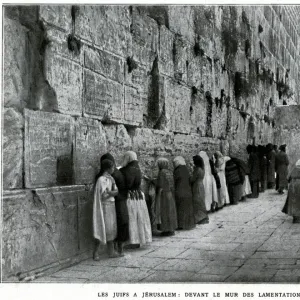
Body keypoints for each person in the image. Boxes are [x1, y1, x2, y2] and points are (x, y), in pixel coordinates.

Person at [120, 151, 152, 245]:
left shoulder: (126, 170)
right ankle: (141, 239)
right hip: (139, 196)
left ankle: (133, 241)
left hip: (131, 197)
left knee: (132, 218)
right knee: (140, 218)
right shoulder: (137, 168)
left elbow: (127, 184)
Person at [100, 153, 128, 256]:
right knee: (120, 224)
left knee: (115, 225)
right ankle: (119, 248)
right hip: (120, 201)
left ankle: (115, 249)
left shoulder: (111, 175)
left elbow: (110, 192)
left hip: (115, 202)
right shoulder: (117, 173)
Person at [93, 159, 119, 260]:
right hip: (104, 206)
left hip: (111, 205)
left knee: (111, 228)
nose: (114, 169)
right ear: (108, 168)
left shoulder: (111, 179)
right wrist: (110, 193)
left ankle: (111, 251)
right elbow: (103, 196)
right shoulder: (101, 180)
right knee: (102, 227)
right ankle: (96, 252)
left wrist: (111, 192)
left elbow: (116, 191)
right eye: (112, 167)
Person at [155, 158, 178, 236]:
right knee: (170, 212)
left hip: (164, 194)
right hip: (170, 194)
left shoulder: (161, 172)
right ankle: (171, 229)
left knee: (164, 212)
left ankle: (166, 230)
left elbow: (160, 184)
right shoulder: (169, 172)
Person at [173, 156, 195, 230]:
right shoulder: (186, 169)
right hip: (188, 191)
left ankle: (181, 225)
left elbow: (175, 181)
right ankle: (189, 224)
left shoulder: (177, 171)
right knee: (188, 208)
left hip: (180, 191)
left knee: (180, 209)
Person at [191, 155, 209, 224]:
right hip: (201, 185)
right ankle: (204, 217)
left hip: (197, 186)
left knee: (197, 202)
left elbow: (193, 179)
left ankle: (200, 218)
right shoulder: (202, 168)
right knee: (201, 202)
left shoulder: (197, 169)